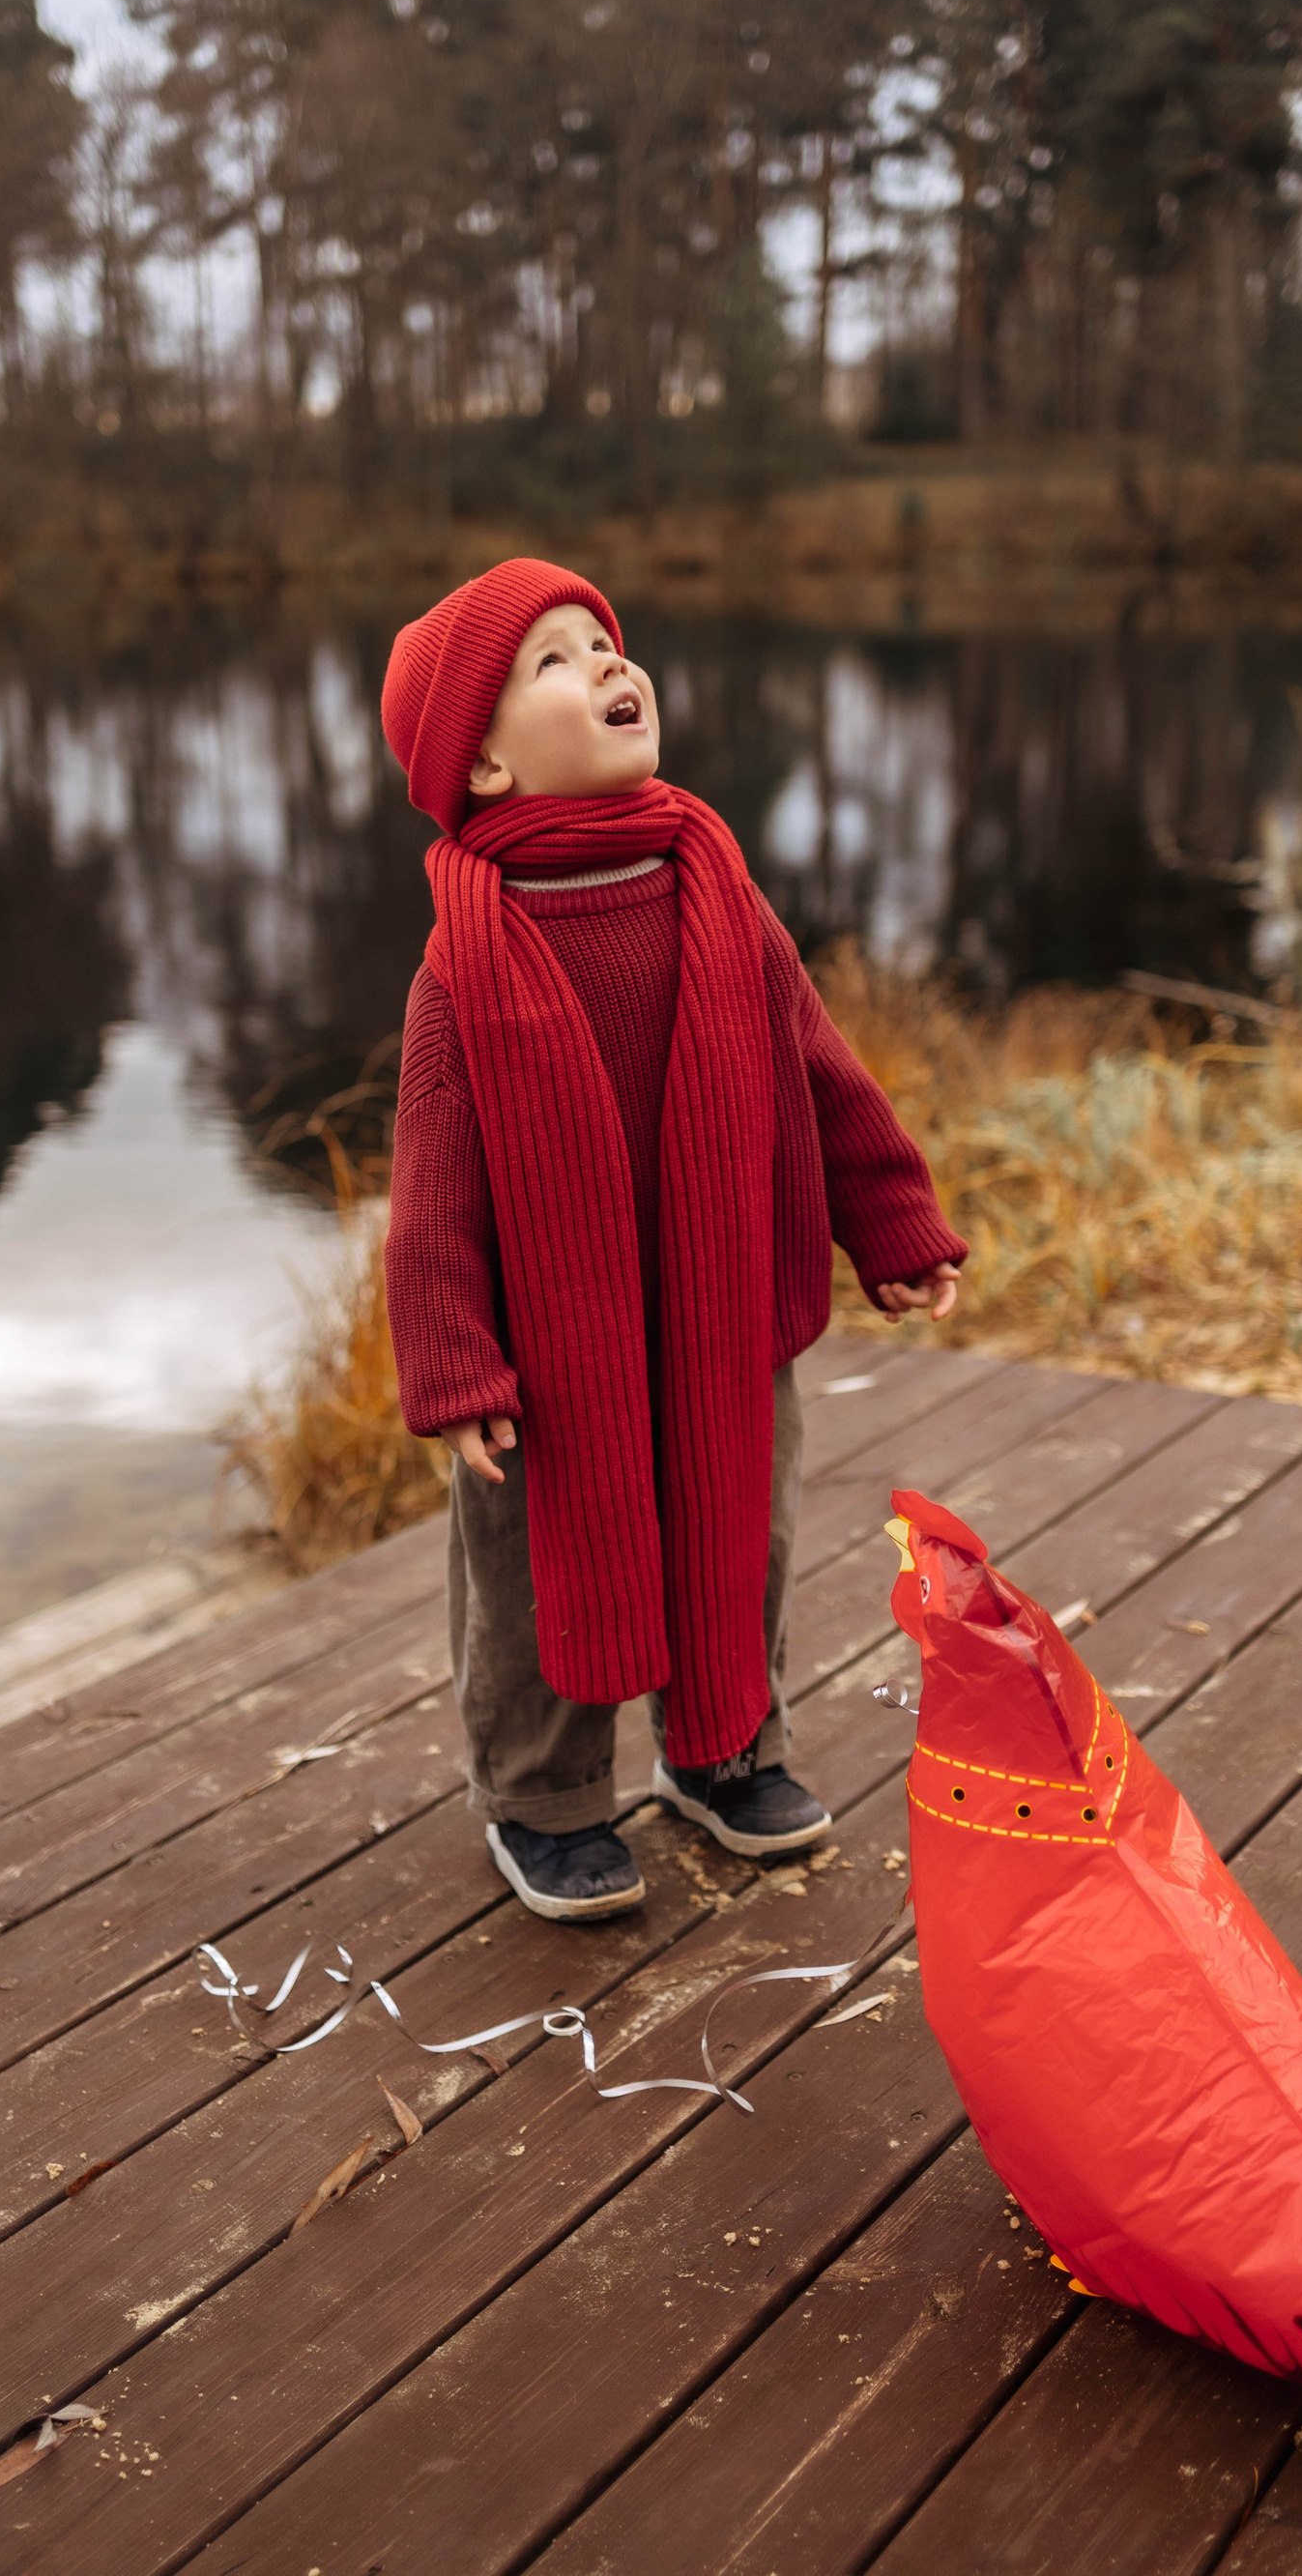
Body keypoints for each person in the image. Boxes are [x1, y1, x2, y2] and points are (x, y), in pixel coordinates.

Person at [381, 558, 967, 1923]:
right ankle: (545, 1799)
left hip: (719, 1302)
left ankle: (725, 1750)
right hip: (548, 1349)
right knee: (538, 1577)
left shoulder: (711, 888)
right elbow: (432, 1186)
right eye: (552, 661)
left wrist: (890, 1218)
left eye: (605, 642)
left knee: (738, 1535)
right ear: (484, 768)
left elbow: (814, 1064)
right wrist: (455, 1364)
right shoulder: (467, 958)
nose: (605, 665)